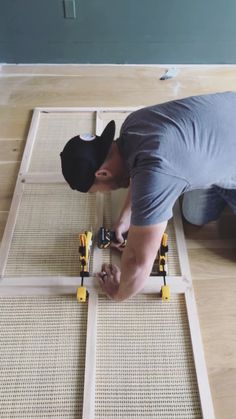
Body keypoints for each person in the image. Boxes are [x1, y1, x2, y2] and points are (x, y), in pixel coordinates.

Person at [60, 92, 236, 301]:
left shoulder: (156, 174)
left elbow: (137, 262)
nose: (104, 193)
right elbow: (141, 171)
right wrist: (125, 219)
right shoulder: (134, 124)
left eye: (98, 190)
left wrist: (118, 293)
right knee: (193, 214)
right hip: (225, 121)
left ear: (103, 174)